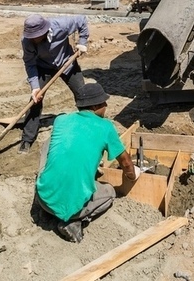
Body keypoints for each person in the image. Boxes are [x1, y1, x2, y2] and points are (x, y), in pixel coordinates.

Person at [35, 83, 139, 242]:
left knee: (48, 143)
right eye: (103, 103)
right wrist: (133, 175)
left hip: (44, 198)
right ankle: (72, 222)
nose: (106, 105)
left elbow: (74, 145)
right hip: (71, 207)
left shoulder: (61, 120)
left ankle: (48, 201)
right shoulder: (106, 127)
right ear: (96, 106)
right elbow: (125, 162)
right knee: (110, 192)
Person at [20, 14, 89, 153]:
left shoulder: (61, 25)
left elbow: (82, 20)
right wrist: (35, 87)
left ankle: (90, 128)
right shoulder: (27, 41)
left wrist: (82, 42)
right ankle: (27, 139)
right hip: (43, 67)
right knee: (35, 100)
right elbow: (29, 63)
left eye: (36, 36)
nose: (33, 39)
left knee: (83, 94)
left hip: (67, 63)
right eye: (31, 36)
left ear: (44, 31)